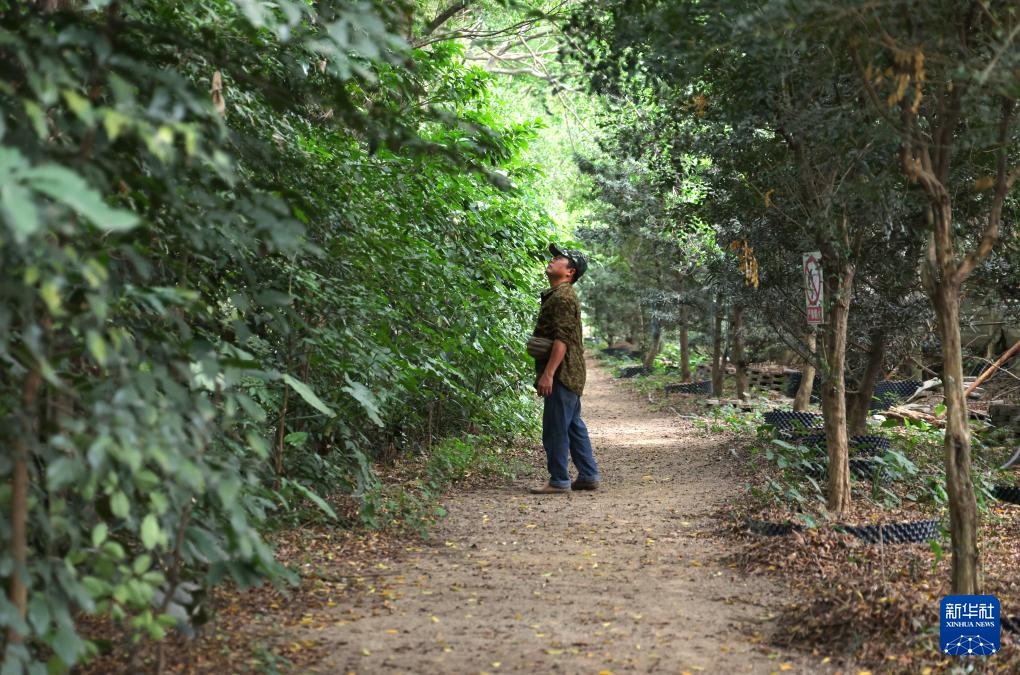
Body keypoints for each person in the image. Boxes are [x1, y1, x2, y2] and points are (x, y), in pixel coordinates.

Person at [529, 243, 601, 494]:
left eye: (559, 258)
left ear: (570, 272)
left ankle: (559, 480)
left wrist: (548, 374)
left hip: (562, 373)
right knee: (572, 424)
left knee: (555, 427)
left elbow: (562, 339)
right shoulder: (560, 295)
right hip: (570, 372)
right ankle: (588, 475)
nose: (553, 260)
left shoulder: (562, 297)